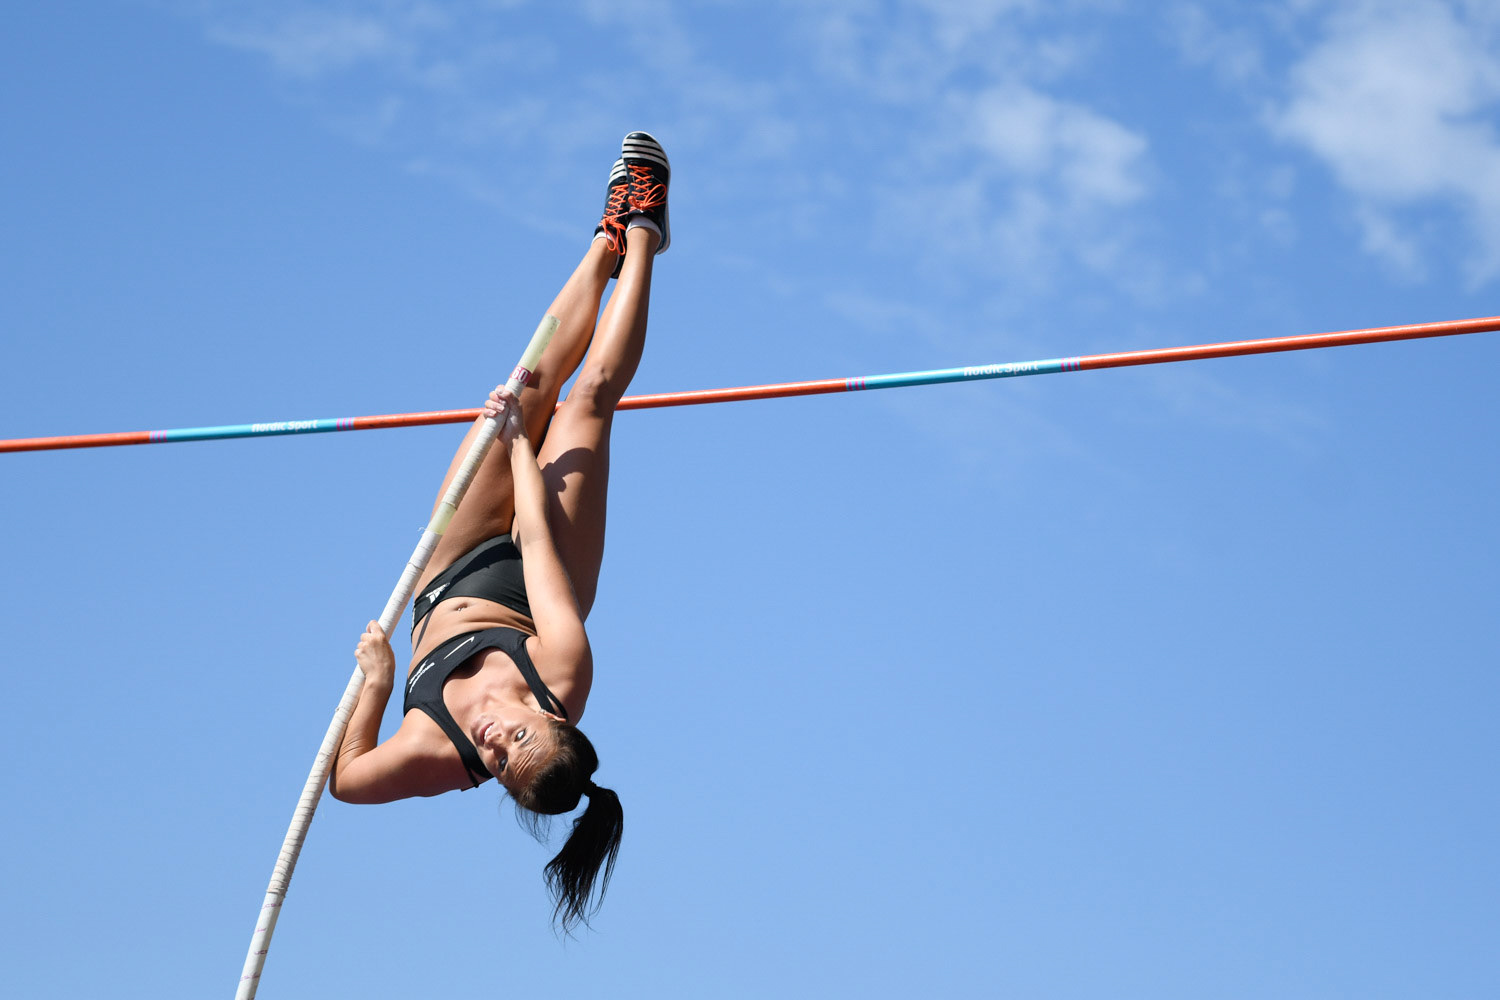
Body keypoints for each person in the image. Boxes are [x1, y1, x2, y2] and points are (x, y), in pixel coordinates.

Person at [328, 132, 671, 930]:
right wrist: (519, 442)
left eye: (494, 759)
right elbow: (543, 552)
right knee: (573, 400)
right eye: (512, 736)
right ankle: (634, 236)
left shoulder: (436, 756)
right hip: (536, 579)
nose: (490, 737)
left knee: (523, 386)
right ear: (554, 717)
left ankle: (613, 246)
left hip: (453, 572)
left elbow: (346, 779)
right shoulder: (562, 670)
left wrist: (378, 683)